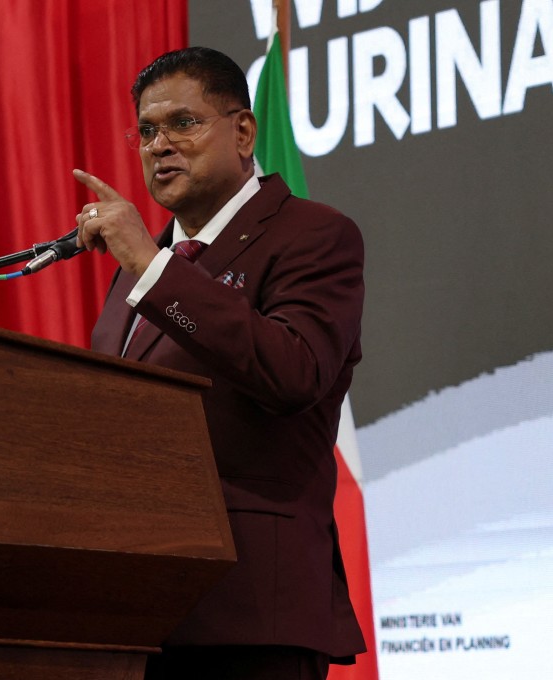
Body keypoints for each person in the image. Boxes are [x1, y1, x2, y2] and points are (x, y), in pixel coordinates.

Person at [74, 47, 366, 679]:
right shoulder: (141, 268)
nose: (159, 146)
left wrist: (151, 267)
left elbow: (293, 372)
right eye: (147, 131)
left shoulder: (314, 235)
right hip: (137, 612)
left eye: (183, 123)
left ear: (243, 132)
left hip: (251, 609)